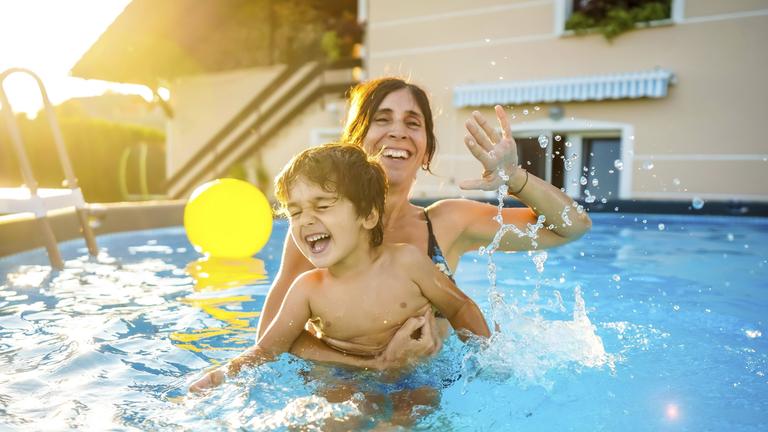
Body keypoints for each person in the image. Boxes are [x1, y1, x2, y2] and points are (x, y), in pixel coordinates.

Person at [256, 77, 593, 368]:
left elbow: (572, 226)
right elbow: (269, 337)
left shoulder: (448, 222)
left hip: (424, 391)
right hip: (340, 387)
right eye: (382, 119)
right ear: (354, 142)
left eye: (413, 123)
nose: (399, 132)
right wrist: (372, 365)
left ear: (427, 151)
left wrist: (515, 178)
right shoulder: (318, 233)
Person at [189, 144, 490, 392]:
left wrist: (487, 357)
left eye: (322, 206)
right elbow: (267, 349)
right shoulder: (309, 289)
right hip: (344, 380)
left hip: (413, 379)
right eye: (295, 212)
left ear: (369, 216)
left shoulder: (407, 263)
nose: (305, 220)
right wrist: (224, 373)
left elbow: (459, 307)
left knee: (414, 411)